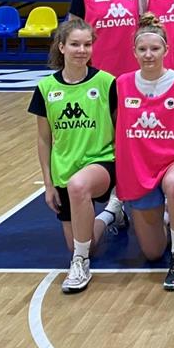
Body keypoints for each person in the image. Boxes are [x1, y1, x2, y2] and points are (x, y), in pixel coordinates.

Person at [28, 16, 124, 294]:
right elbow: (44, 139)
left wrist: (124, 174)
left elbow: (120, 129)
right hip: (64, 169)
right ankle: (110, 214)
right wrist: (48, 184)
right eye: (75, 44)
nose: (82, 50)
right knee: (83, 242)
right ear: (61, 47)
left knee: (79, 186)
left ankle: (80, 264)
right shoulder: (46, 88)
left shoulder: (106, 82)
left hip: (101, 162)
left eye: (87, 44)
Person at [113, 14, 174, 291]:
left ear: (166, 50)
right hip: (140, 169)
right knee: (152, 252)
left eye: (154, 48)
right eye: (142, 49)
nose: (148, 54)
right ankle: (173, 215)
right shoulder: (121, 84)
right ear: (134, 52)